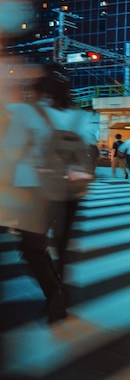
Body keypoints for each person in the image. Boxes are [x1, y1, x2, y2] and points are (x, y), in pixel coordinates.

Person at [2, 63, 98, 323]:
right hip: (71, 190)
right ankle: (61, 289)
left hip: (33, 188)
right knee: (64, 245)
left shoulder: (26, 112)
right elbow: (90, 150)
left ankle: (54, 292)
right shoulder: (81, 116)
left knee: (32, 246)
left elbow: (10, 151)